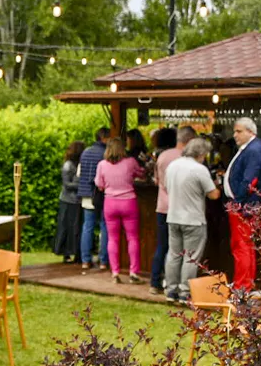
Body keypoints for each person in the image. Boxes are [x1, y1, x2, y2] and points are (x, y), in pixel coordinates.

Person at [164, 138, 221, 303]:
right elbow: (213, 194)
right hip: (193, 219)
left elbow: (167, 187)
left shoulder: (172, 166)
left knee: (174, 255)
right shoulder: (199, 169)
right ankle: (184, 292)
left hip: (173, 216)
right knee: (191, 258)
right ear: (201, 153)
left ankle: (170, 290)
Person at [222, 116, 261, 290]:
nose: (235, 135)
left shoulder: (253, 150)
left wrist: (238, 200)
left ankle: (243, 285)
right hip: (244, 204)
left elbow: (250, 180)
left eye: (239, 131)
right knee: (245, 245)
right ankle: (245, 282)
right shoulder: (250, 148)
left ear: (250, 132)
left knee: (241, 246)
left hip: (244, 205)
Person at [94, 136, 146, 284]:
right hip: (128, 201)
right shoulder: (130, 162)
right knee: (132, 238)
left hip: (110, 202)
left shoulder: (102, 164)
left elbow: (99, 184)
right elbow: (141, 173)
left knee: (112, 238)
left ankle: (115, 272)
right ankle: (133, 272)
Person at [150, 126, 193, 293]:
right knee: (180, 250)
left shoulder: (162, 156)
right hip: (180, 207)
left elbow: (157, 180)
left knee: (162, 246)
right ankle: (176, 284)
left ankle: (154, 282)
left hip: (162, 206)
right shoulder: (187, 158)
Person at [75, 127, 109, 272]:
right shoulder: (106, 153)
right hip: (101, 195)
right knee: (104, 227)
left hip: (86, 194)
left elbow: (79, 173)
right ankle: (103, 260)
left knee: (87, 227)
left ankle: (85, 260)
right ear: (105, 138)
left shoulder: (85, 152)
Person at [52, 141, 85, 263]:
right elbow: (67, 184)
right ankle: (66, 253)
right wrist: (80, 184)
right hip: (67, 201)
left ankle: (77, 253)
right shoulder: (68, 165)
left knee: (77, 228)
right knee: (67, 228)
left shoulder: (79, 165)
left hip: (77, 201)